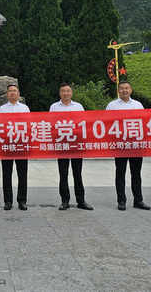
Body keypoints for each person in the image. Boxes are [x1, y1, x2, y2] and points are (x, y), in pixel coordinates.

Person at [107, 81, 151, 211]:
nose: (124, 91)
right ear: (118, 91)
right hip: (120, 144)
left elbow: (144, 122)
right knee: (120, 173)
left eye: (126, 88)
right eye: (121, 88)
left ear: (131, 90)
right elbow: (106, 123)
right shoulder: (112, 105)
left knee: (136, 173)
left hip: (135, 144)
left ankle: (138, 200)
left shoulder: (138, 105)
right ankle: (121, 200)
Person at [50, 83, 93, 211]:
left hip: (76, 144)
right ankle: (65, 201)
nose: (66, 93)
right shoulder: (54, 107)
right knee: (63, 174)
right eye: (63, 91)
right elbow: (50, 124)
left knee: (77, 173)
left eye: (68, 91)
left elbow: (84, 124)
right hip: (62, 144)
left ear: (71, 93)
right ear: (60, 93)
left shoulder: (78, 106)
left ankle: (81, 201)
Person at [0, 84, 30, 210]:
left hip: (21, 144)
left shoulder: (25, 108)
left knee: (22, 174)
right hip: (7, 145)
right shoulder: (2, 109)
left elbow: (29, 125)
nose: (12, 93)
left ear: (18, 93)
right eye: (10, 91)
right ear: (7, 94)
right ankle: (8, 201)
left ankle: (22, 201)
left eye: (14, 91)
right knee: (6, 174)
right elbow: (0, 126)